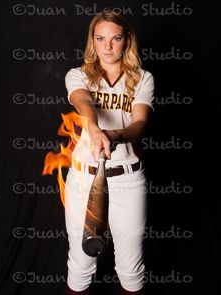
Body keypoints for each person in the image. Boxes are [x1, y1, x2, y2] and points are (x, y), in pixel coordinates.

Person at [64, 8, 155, 295]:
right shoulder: (78, 75)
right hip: (83, 181)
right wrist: (92, 127)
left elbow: (139, 124)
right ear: (93, 40)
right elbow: (83, 102)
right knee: (80, 264)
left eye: (115, 39)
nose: (107, 47)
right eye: (100, 39)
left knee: (130, 268)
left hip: (127, 180)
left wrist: (114, 135)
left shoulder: (142, 79)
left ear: (126, 40)